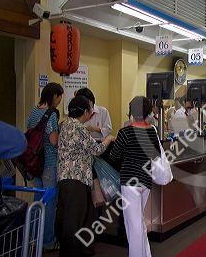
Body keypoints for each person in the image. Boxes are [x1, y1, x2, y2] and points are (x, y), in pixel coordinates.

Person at [57, 96, 114, 257]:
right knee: (73, 223)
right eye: (90, 109)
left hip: (64, 178)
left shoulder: (66, 124)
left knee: (74, 218)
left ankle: (81, 250)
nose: (92, 113)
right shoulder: (78, 128)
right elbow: (96, 150)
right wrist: (109, 138)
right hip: (77, 180)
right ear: (85, 111)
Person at [110, 96, 160, 257]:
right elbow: (155, 155)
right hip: (145, 181)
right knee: (140, 223)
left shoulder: (125, 132)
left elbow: (114, 155)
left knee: (134, 226)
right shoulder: (152, 131)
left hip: (129, 181)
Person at [26, 82, 63, 251]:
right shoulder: (51, 114)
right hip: (48, 163)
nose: (60, 100)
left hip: (33, 163)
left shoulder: (33, 111)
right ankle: (48, 241)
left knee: (37, 200)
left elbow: (30, 132)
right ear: (54, 96)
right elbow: (53, 140)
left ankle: (33, 238)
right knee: (49, 203)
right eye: (60, 96)